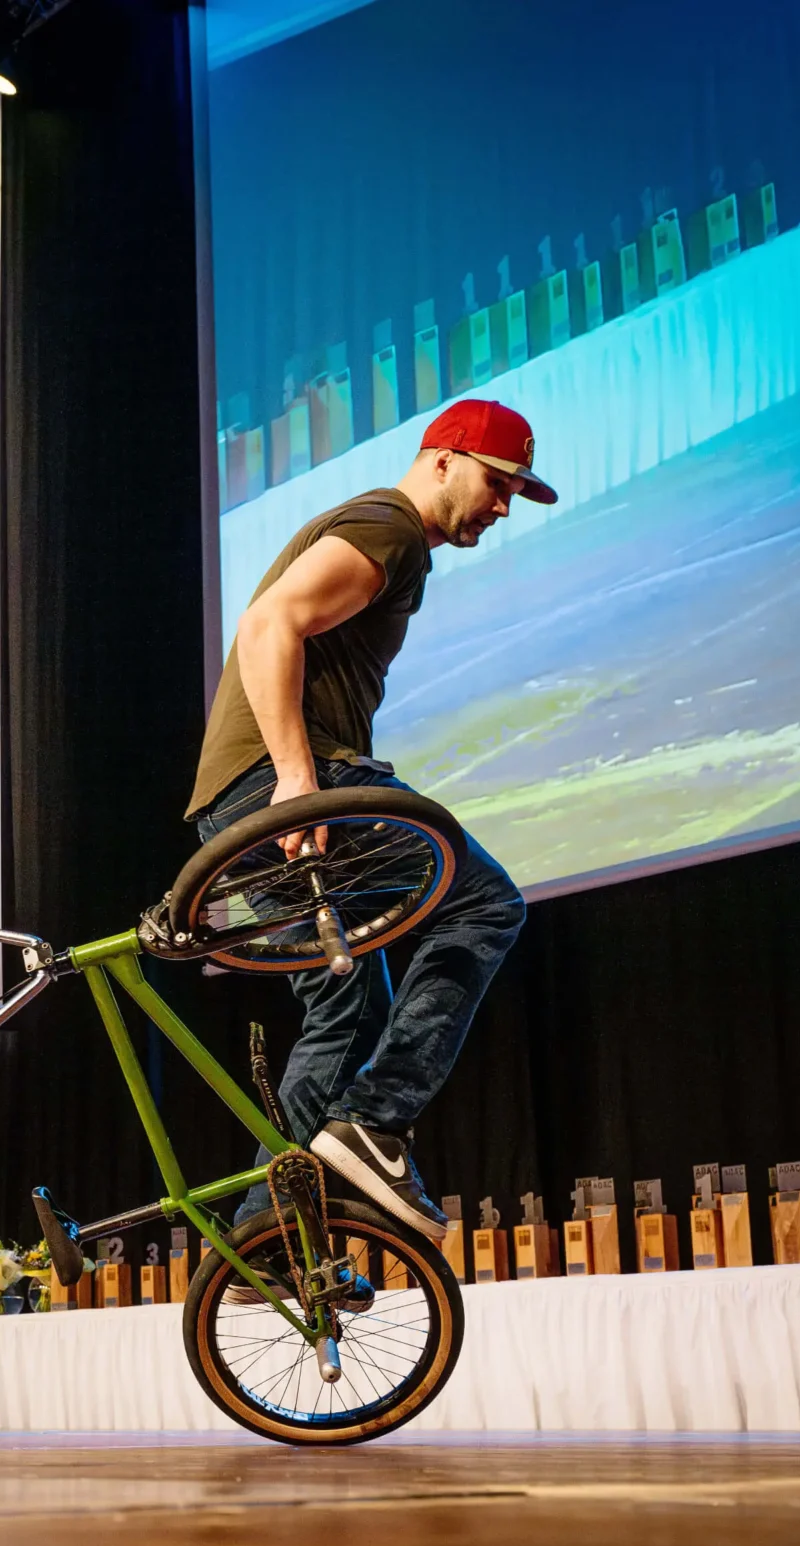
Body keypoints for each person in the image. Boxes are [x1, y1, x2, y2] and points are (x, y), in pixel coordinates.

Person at [187, 399, 546, 1244]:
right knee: (487, 904)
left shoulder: (384, 534)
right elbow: (271, 620)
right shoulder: (392, 527)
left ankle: (263, 1242)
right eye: (498, 483)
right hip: (270, 792)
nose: (502, 506)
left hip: (227, 808)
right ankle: (375, 1125)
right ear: (446, 459)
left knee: (346, 1008)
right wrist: (299, 779)